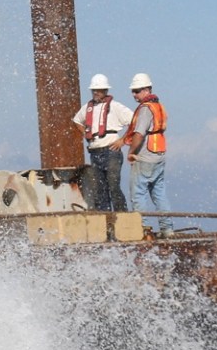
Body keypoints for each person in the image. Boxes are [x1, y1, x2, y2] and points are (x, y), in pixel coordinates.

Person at [70, 73, 131, 211]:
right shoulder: (88, 108)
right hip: (95, 152)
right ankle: (106, 220)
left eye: (99, 90)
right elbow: (76, 120)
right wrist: (85, 132)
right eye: (94, 90)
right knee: (100, 189)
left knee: (113, 186)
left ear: (106, 90)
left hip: (111, 151)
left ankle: (122, 215)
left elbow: (134, 121)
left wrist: (123, 140)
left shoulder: (115, 107)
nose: (95, 92)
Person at [122, 74, 170, 235]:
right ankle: (167, 228)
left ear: (146, 89)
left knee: (138, 193)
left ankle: (142, 229)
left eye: (136, 91)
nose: (134, 95)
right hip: (159, 155)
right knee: (159, 193)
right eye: (133, 91)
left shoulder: (145, 109)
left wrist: (131, 152)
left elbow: (139, 134)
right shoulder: (158, 106)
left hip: (145, 156)